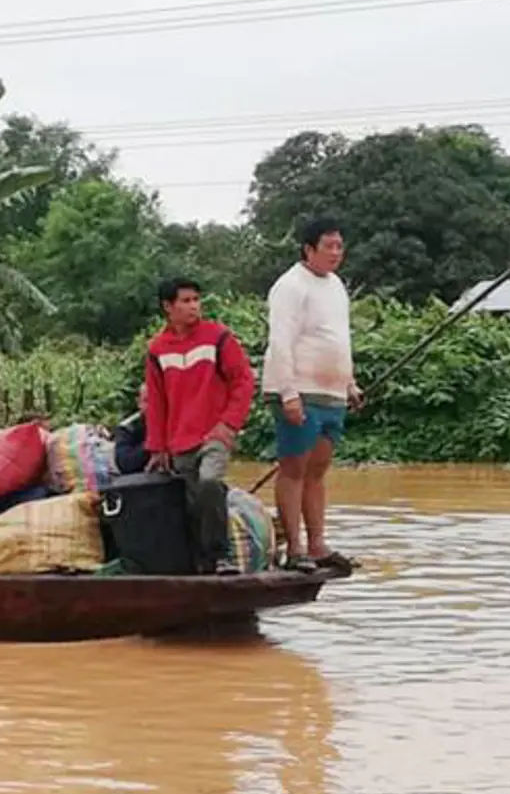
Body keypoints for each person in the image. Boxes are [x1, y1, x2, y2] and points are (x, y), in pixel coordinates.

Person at [264, 217, 362, 574]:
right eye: (329, 246)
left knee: (318, 471)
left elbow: (338, 338)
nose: (336, 253)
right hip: (299, 390)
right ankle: (295, 547)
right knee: (294, 469)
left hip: (332, 392)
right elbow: (281, 341)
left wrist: (349, 383)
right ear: (309, 249)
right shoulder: (290, 286)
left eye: (340, 246)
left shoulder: (336, 286)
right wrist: (288, 393)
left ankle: (318, 543)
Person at [142, 277, 257, 576]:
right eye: (186, 301)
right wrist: (158, 446)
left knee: (209, 482)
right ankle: (201, 564)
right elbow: (157, 402)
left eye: (196, 300)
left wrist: (229, 424)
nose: (194, 306)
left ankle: (222, 556)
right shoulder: (157, 349)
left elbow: (243, 381)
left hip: (214, 433)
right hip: (179, 439)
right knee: (192, 503)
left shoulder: (218, 337)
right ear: (168, 307)